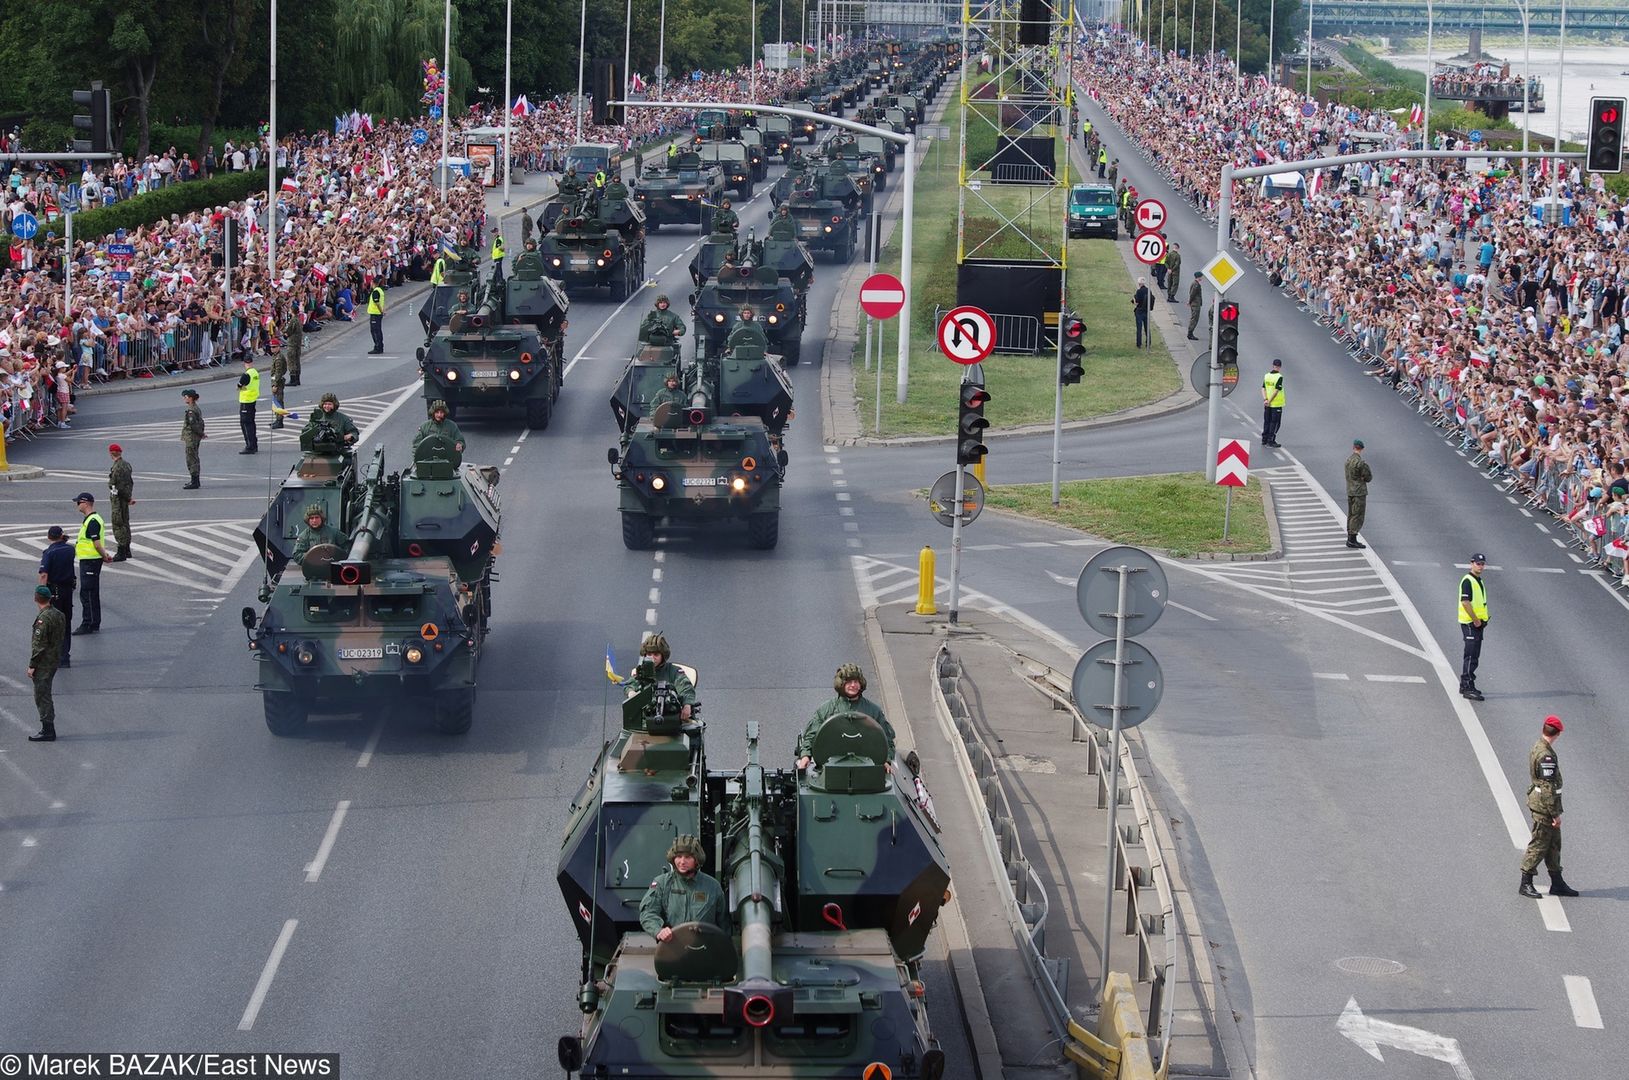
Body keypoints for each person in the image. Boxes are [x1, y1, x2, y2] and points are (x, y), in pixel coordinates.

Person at [1519, 716, 1578, 899]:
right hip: (1544, 807)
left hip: (1543, 804)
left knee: (1553, 844)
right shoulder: (1546, 755)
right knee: (1539, 843)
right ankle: (1526, 882)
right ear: (1558, 733)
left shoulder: (1538, 746)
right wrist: (1555, 814)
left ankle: (1557, 882)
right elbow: (1547, 787)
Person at [796, 664, 897, 769]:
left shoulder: (873, 711)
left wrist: (886, 760)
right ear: (841, 684)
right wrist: (805, 756)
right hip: (829, 767)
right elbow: (811, 735)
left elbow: (886, 740)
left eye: (856, 681)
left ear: (861, 683)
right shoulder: (827, 709)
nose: (853, 685)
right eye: (848, 682)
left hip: (867, 767)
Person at [638, 834, 729, 941]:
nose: (682, 862)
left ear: (697, 860)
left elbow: (724, 924)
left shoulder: (713, 887)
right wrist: (659, 930)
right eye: (679, 856)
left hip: (705, 950)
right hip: (672, 949)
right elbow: (648, 913)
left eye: (688, 857)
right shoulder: (662, 883)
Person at [625, 632, 695, 720]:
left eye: (656, 655)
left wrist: (687, 705)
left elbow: (685, 687)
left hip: (672, 717)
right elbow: (631, 684)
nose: (652, 658)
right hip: (645, 718)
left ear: (663, 656)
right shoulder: (641, 671)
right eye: (649, 654)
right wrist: (631, 693)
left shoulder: (673, 671)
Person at [28, 585, 67, 742]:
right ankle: (47, 727)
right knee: (45, 693)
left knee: (42, 695)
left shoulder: (43, 619)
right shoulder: (59, 614)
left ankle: (48, 729)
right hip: (55, 658)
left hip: (44, 661)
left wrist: (32, 665)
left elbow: (39, 645)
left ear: (36, 598)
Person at [37, 526, 75, 668]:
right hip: (68, 590)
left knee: (53, 623)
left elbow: (44, 574)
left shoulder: (49, 553)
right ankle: (65, 655)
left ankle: (56, 656)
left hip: (54, 591)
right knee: (66, 622)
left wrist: (41, 593)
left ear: (49, 537)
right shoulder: (70, 550)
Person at [71, 493, 107, 636]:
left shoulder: (92, 521)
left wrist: (104, 556)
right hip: (91, 560)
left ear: (85, 503)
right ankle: (94, 622)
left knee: (87, 593)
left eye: (78, 502)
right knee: (92, 592)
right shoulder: (91, 519)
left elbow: (96, 543)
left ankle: (88, 623)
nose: (77, 505)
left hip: (90, 561)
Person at [1458, 553, 1489, 701]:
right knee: (1470, 656)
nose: (1481, 566)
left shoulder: (1478, 581)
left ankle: (1467, 684)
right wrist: (1476, 620)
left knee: (1474, 656)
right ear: (1471, 563)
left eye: (1482, 564)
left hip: (1477, 624)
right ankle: (1467, 686)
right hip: (1470, 623)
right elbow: (1465, 602)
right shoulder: (1468, 581)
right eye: (1478, 563)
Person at [106, 444, 134, 561]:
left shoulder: (117, 467)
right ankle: (127, 549)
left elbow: (114, 485)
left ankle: (121, 551)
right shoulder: (127, 465)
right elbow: (129, 482)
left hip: (118, 499)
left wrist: (125, 497)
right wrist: (128, 497)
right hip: (125, 497)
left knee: (118, 524)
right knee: (125, 523)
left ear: (111, 453)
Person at [1344, 439, 1372, 548]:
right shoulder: (1360, 463)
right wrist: (1362, 478)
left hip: (1350, 491)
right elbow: (1369, 477)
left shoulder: (1348, 460)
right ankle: (1352, 539)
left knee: (1351, 514)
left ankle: (1350, 537)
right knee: (1358, 515)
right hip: (1359, 492)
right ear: (1362, 449)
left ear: (1353, 447)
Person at [181, 388, 206, 489]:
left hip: (191, 437)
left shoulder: (191, 410)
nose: (184, 399)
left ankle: (194, 481)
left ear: (191, 398)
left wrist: (201, 433)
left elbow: (193, 424)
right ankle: (194, 480)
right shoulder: (195, 407)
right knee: (194, 457)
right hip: (195, 437)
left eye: (186, 397)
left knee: (191, 459)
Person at [236, 354, 260, 454]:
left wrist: (242, 388)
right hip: (253, 400)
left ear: (244, 363)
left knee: (245, 424)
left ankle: (250, 446)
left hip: (245, 401)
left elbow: (239, 386)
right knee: (251, 423)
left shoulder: (246, 375)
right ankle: (254, 444)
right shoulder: (255, 372)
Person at [1260, 358, 1285, 447]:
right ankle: (1271, 440)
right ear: (1279, 367)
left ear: (1273, 365)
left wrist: (1265, 400)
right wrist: (1270, 401)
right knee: (1275, 423)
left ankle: (1264, 439)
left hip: (1267, 404)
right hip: (1276, 405)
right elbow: (1276, 391)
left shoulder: (1267, 376)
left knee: (1267, 421)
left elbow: (1263, 388)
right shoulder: (1279, 377)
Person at [268, 338, 288, 429]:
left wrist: (275, 385)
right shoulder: (275, 356)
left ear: (278, 347)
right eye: (271, 347)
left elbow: (278, 372)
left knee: (278, 402)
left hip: (278, 382)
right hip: (275, 381)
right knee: (276, 402)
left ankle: (280, 421)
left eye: (274, 347)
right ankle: (277, 419)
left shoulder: (279, 358)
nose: (272, 349)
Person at [366, 282, 386, 355]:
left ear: (374, 283)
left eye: (371, 283)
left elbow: (377, 302)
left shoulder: (375, 291)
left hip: (375, 314)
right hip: (377, 314)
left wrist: (381, 311)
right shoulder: (380, 290)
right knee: (378, 331)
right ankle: (380, 347)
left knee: (375, 331)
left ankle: (377, 347)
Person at [1132, 277, 1152, 349]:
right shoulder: (1149, 291)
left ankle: (1139, 343)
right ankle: (1148, 342)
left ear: (1139, 283)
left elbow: (1136, 302)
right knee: (1147, 328)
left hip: (1139, 312)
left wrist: (1134, 299)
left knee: (1139, 328)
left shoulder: (1139, 291)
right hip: (1146, 311)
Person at [1187, 272, 1203, 340]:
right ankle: (1190, 333)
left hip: (1195, 303)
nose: (1202, 278)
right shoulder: (1196, 285)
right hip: (1195, 303)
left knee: (1194, 318)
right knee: (1194, 318)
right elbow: (1192, 294)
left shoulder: (1195, 283)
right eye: (1201, 276)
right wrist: (1189, 301)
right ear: (1198, 277)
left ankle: (1190, 332)